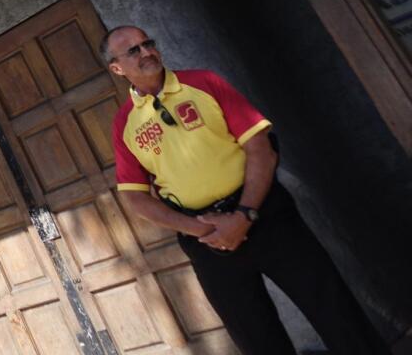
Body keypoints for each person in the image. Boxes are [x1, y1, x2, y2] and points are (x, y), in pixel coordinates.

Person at [102, 25, 387, 355]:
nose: (146, 52)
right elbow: (135, 197)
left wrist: (244, 214)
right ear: (116, 68)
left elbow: (260, 149)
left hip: (266, 215)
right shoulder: (124, 123)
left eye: (147, 43)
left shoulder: (204, 83)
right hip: (205, 239)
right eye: (133, 50)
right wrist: (199, 228)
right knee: (255, 338)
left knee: (335, 311)